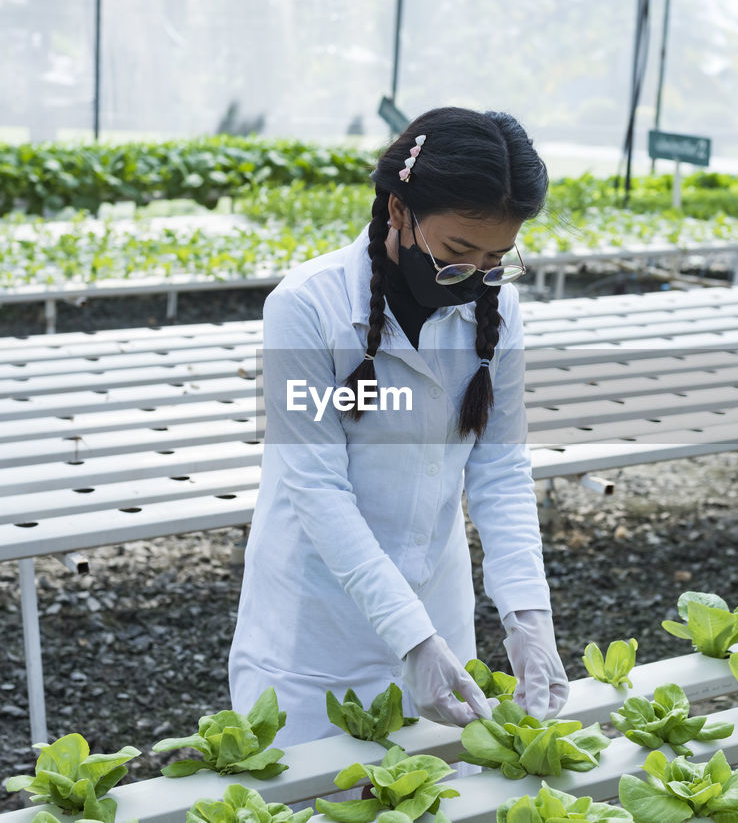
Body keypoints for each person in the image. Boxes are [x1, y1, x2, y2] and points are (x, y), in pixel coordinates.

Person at [227, 106, 569, 747]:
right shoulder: (306, 308)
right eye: (456, 252)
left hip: (439, 611)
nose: (475, 276)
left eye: (497, 257)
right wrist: (411, 639)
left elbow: (499, 467)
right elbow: (318, 490)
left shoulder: (501, 308)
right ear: (398, 213)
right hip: (316, 633)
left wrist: (528, 614)